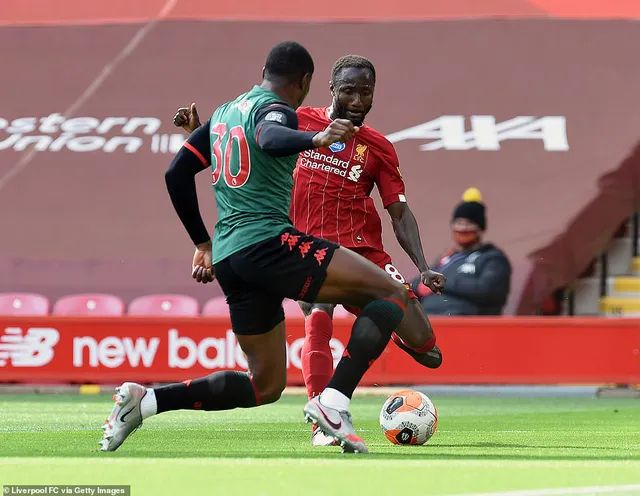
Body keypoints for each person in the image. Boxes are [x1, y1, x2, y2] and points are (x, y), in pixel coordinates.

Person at [100, 41, 442, 455]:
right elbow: (269, 135)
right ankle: (332, 404)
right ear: (312, 84)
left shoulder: (227, 111)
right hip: (272, 243)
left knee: (265, 385)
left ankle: (146, 401)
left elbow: (177, 174)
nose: (355, 99)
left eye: (365, 91)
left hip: (231, 258)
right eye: (346, 90)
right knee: (383, 295)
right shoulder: (280, 111)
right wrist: (314, 138)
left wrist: (203, 243)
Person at [410, 188, 511, 316]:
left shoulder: (493, 259)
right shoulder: (447, 258)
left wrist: (443, 284)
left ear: (480, 229)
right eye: (458, 223)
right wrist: (416, 286)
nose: (463, 228)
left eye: (469, 223)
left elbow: (488, 290)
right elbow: (419, 282)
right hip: (429, 323)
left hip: (467, 326)